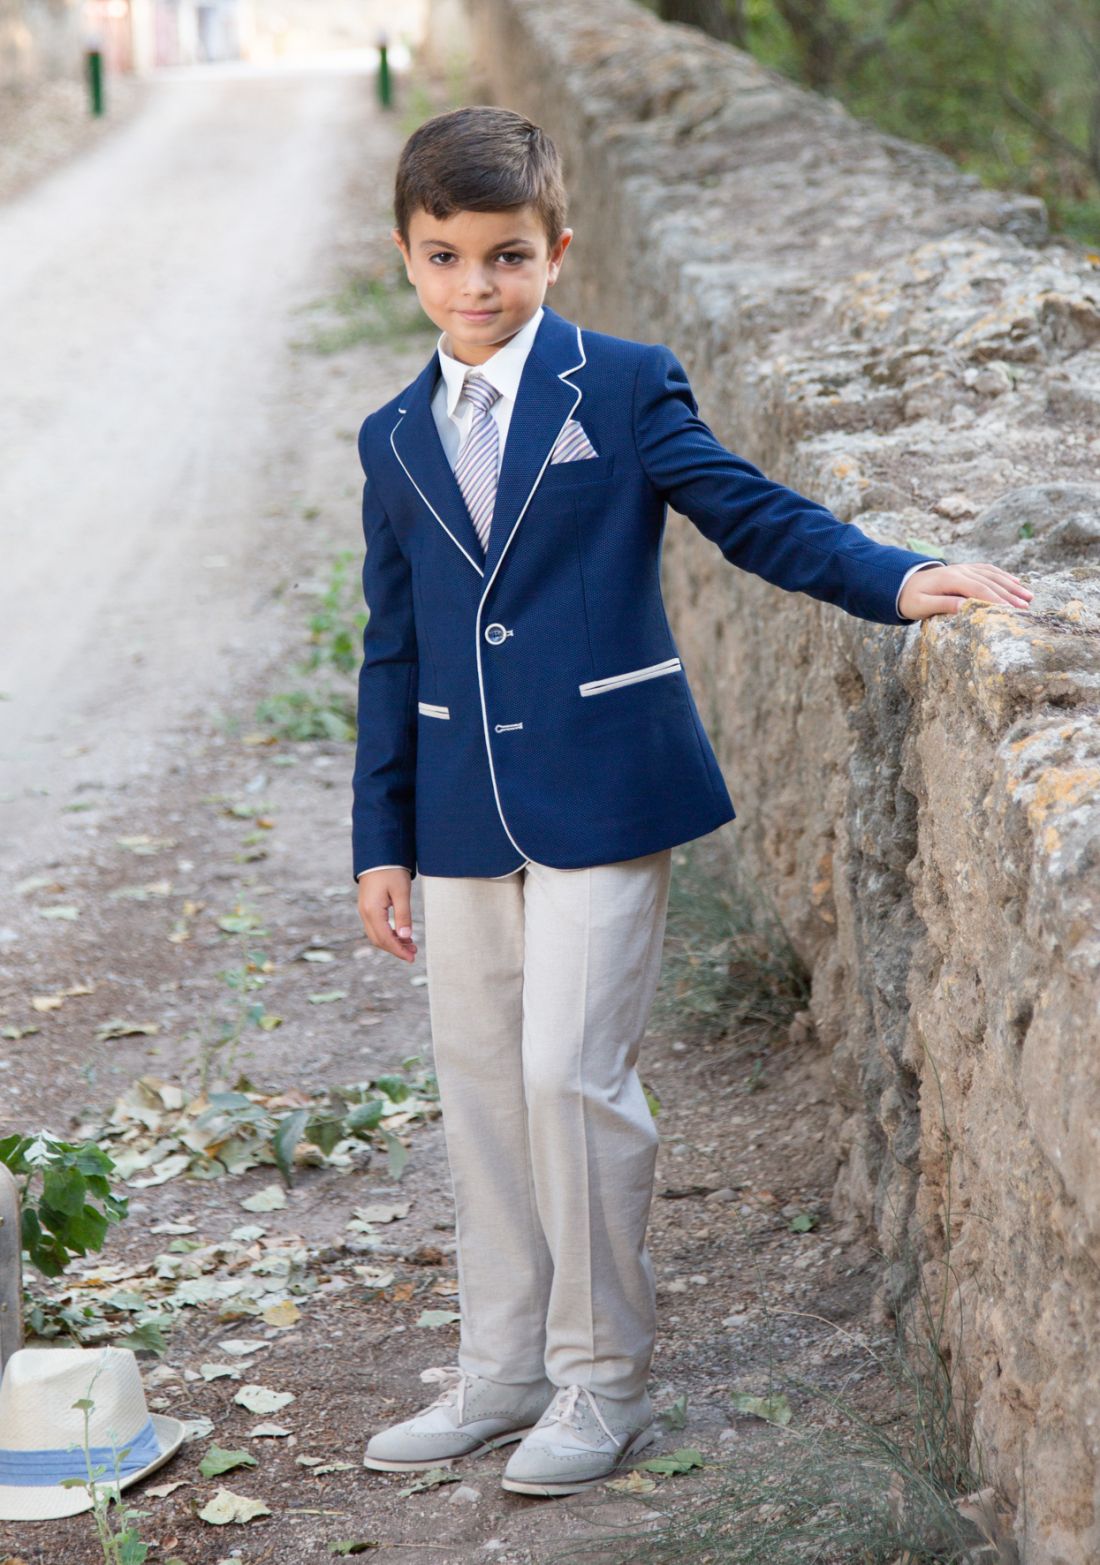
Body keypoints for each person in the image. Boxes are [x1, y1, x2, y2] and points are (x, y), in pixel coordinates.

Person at [350, 105, 1033, 1498]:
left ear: (559, 250)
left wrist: (899, 577)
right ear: (406, 257)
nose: (475, 287)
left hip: (608, 786)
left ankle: (601, 1378)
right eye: (445, 258)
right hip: (462, 810)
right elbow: (392, 644)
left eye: (506, 258)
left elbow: (750, 507)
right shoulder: (392, 436)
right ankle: (500, 1367)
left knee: (567, 1076)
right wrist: (382, 836)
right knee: (481, 1086)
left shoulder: (619, 386)